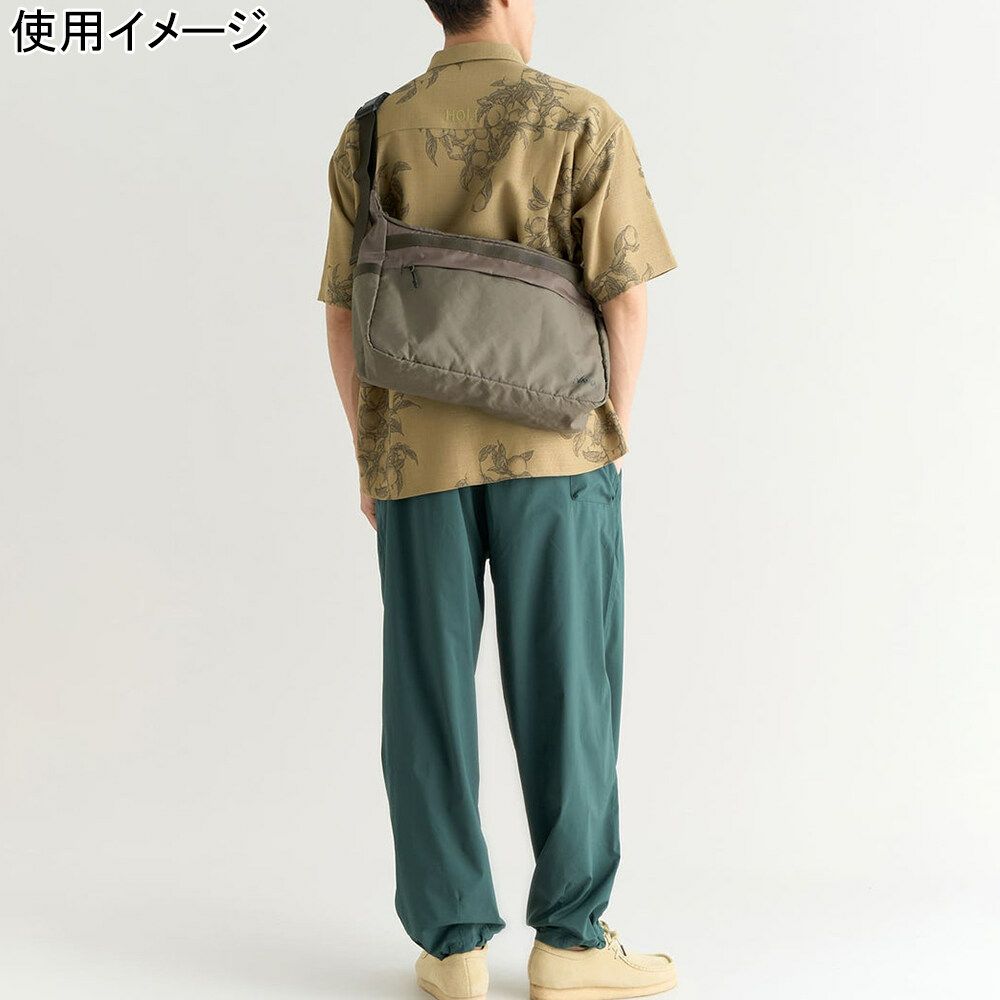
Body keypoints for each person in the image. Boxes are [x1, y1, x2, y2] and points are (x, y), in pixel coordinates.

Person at [318, 2, 678, 998]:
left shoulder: (372, 131)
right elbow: (626, 299)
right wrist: (610, 434)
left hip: (416, 459)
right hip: (557, 457)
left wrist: (369, 456)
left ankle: (453, 948)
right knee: (570, 689)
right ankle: (570, 941)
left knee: (425, 692)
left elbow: (346, 315)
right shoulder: (580, 120)